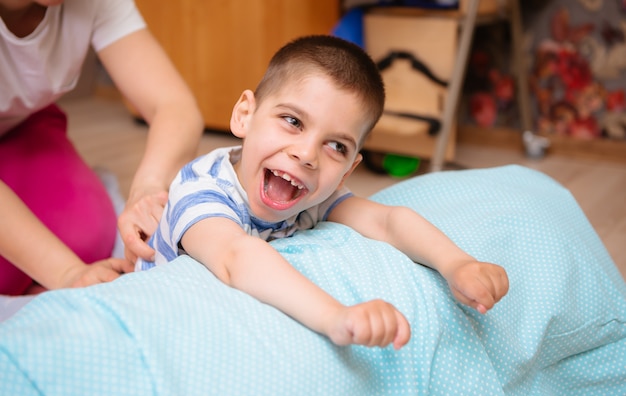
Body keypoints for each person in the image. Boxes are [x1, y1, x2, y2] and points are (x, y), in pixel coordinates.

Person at [137, 35, 509, 350]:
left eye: (336, 146)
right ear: (244, 115)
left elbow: (386, 221)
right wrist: (335, 316)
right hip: (155, 320)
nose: (306, 154)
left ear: (349, 170)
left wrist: (456, 263)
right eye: (292, 121)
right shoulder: (201, 190)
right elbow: (237, 258)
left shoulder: (316, 195)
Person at [0, 0, 204, 295]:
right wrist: (68, 273)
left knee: (89, 239)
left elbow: (175, 106)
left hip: (22, 127)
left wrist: (147, 188)